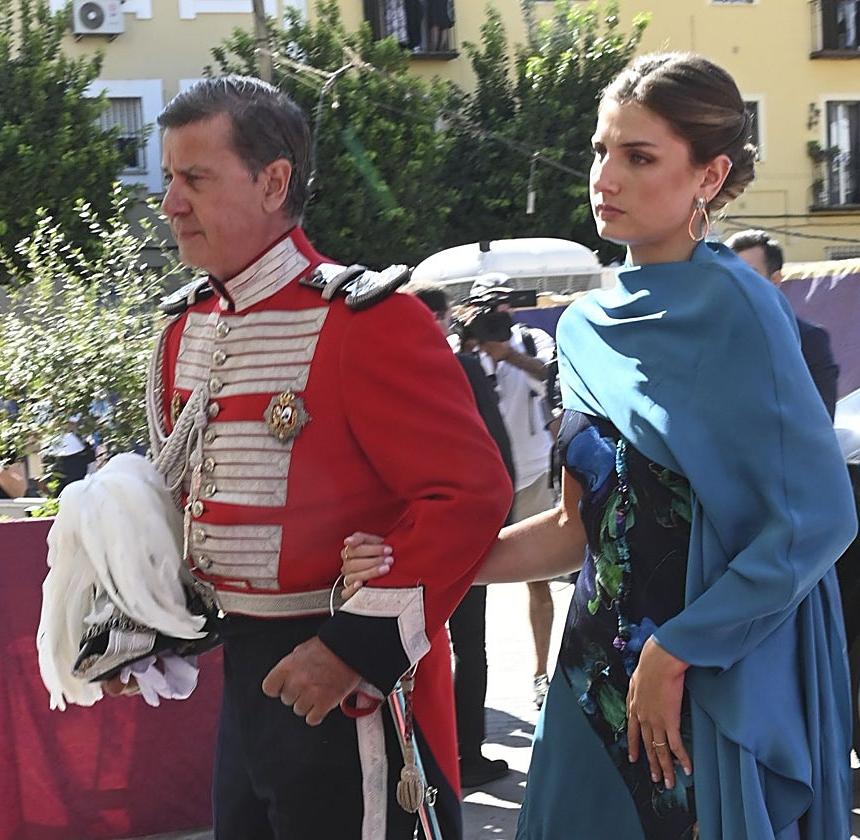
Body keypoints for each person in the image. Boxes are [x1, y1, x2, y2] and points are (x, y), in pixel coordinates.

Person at [341, 51, 858, 840]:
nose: (605, 178)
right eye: (600, 150)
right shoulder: (584, 326)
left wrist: (675, 653)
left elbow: (817, 520)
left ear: (710, 175)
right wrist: (412, 558)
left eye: (638, 157)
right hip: (594, 680)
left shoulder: (743, 313)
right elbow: (577, 530)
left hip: (706, 685)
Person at [47, 75, 512, 840]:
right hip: (245, 683)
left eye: (195, 179)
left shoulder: (369, 321)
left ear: (272, 183)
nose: (170, 204)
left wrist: (351, 650)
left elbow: (471, 494)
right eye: (169, 178)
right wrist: (142, 630)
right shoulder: (183, 330)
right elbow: (189, 508)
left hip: (348, 686)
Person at [408, 283, 513, 788]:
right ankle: (465, 754)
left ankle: (420, 757)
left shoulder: (387, 369)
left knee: (416, 648)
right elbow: (498, 454)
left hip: (406, 536)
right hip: (463, 533)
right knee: (469, 645)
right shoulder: (464, 368)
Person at [464, 274, 560, 710]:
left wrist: (509, 355)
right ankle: (465, 675)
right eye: (488, 306)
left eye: (503, 304)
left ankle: (540, 673)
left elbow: (552, 379)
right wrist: (472, 348)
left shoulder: (532, 339)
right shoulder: (462, 347)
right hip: (480, 481)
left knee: (538, 580)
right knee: (466, 585)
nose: (496, 314)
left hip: (531, 473)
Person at [725, 229, 840, 418]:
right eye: (730, 275)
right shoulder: (710, 337)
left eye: (748, 274)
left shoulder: (808, 341)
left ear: (775, 279)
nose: (737, 283)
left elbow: (820, 420)